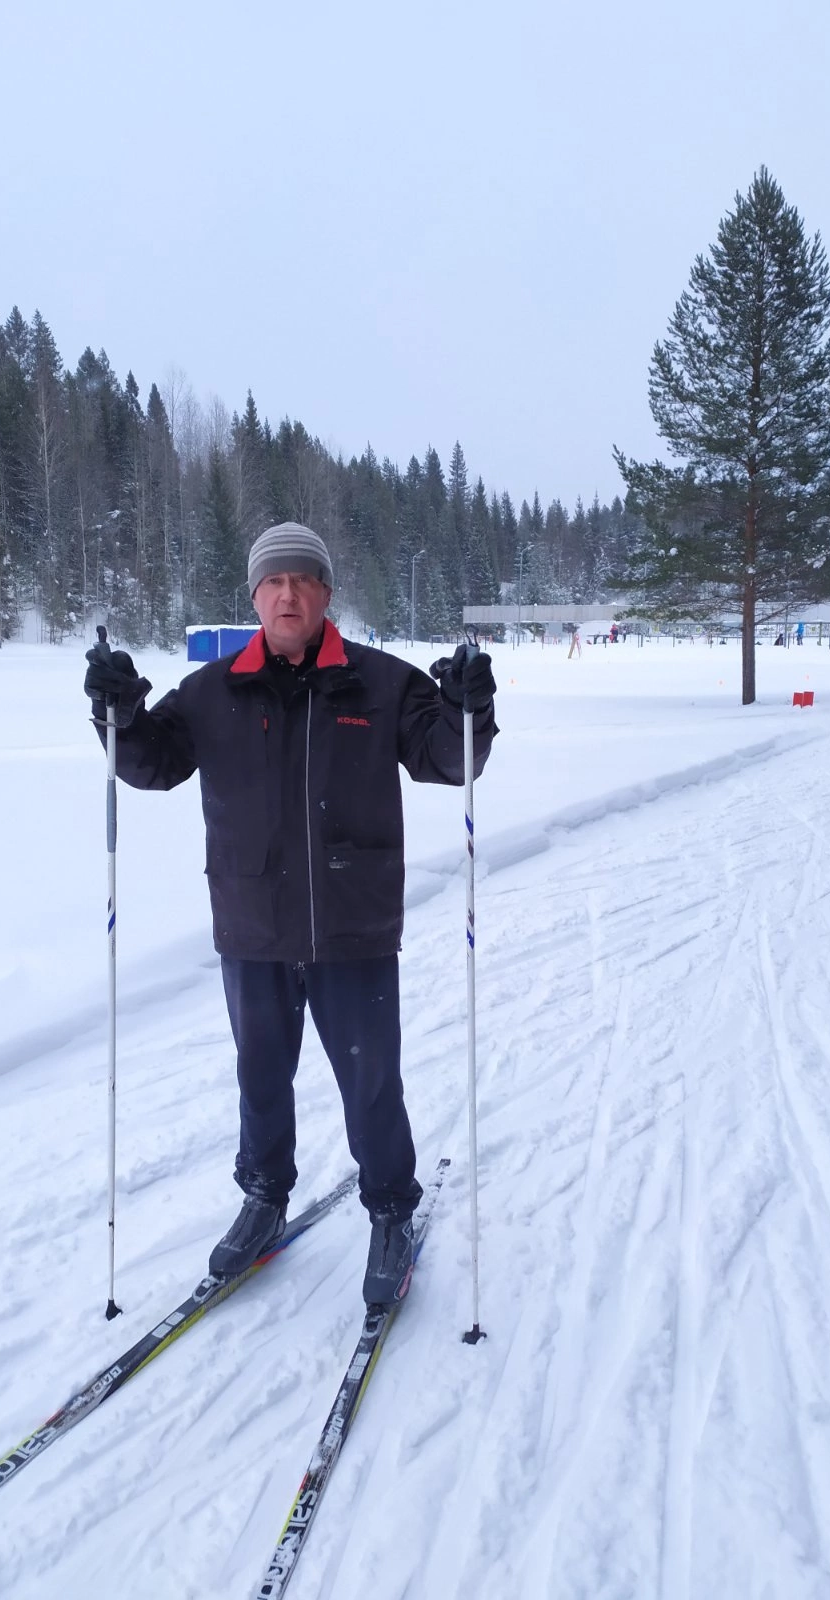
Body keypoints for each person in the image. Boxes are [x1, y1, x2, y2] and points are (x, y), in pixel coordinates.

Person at [82, 522, 498, 1306]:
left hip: (353, 927)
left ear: (326, 594)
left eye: (303, 579)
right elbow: (151, 763)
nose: (288, 593)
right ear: (253, 596)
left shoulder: (380, 683)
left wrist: (464, 708)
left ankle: (389, 1209)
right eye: (274, 581)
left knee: (371, 1081)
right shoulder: (214, 691)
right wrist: (121, 715)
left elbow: (451, 758)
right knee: (261, 1076)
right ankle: (264, 1197)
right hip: (252, 924)